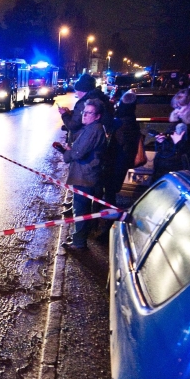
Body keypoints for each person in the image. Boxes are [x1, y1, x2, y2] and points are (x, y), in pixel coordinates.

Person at [59, 99, 109, 251]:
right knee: (82, 208)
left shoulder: (94, 130)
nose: (84, 115)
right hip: (86, 175)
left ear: (97, 116)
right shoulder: (92, 128)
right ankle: (78, 237)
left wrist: (68, 154)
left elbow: (79, 153)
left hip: (85, 177)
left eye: (89, 113)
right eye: (84, 112)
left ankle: (79, 243)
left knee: (80, 209)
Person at [58, 74, 96, 143]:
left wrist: (64, 114)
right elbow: (80, 116)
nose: (76, 93)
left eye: (77, 90)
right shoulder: (93, 99)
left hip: (81, 140)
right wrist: (70, 112)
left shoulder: (85, 103)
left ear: (83, 91)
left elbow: (73, 125)